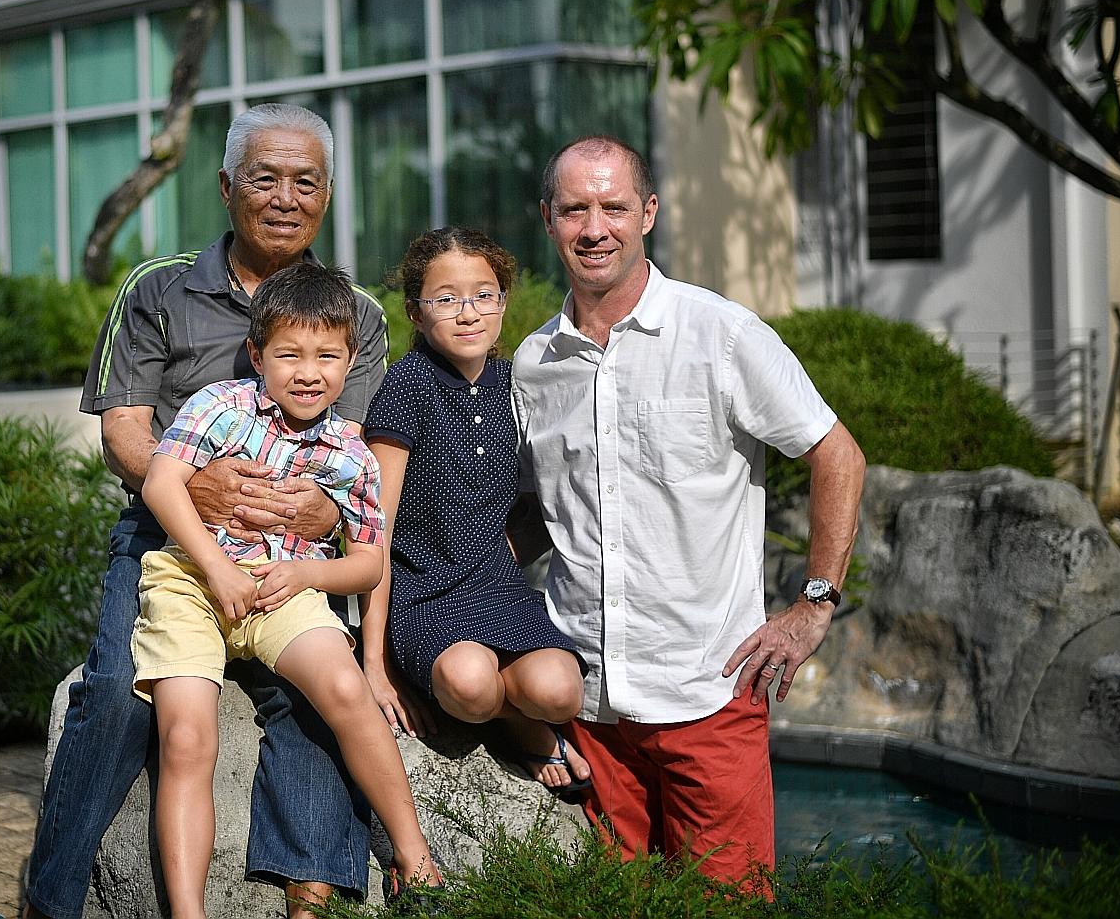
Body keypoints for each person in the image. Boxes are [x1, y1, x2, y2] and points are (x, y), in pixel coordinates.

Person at [24, 104, 389, 919]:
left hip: (288, 554)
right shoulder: (158, 287)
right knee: (117, 691)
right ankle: (48, 903)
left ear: (327, 197)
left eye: (306, 182)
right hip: (168, 544)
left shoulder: (356, 310)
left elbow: (348, 458)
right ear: (227, 187)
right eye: (265, 178)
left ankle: (311, 886)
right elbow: (124, 432)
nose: (285, 198)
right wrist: (193, 486)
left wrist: (318, 511)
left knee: (318, 689)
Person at [510, 136, 867, 890]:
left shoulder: (722, 335)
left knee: (727, 908)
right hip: (588, 708)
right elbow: (548, 510)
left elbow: (838, 456)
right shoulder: (533, 364)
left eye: (613, 206)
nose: (594, 226)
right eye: (575, 208)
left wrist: (814, 605)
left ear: (649, 213)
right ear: (548, 219)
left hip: (709, 697)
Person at [136, 263, 442, 919]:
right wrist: (216, 568)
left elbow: (367, 563)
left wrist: (307, 574)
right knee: (188, 736)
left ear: (350, 359)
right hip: (193, 583)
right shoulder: (221, 406)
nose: (309, 372)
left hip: (285, 587)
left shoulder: (349, 454)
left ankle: (415, 861)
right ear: (257, 354)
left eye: (328, 355)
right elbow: (162, 483)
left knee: (342, 689)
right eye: (289, 354)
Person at [360, 227, 590, 795]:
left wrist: (503, 551)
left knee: (561, 691)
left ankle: (517, 713)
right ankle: (518, 727)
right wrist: (374, 661)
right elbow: (373, 529)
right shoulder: (407, 386)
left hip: (495, 584)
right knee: (469, 683)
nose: (468, 313)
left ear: (503, 302)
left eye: (484, 294)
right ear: (416, 312)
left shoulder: (512, 383)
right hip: (424, 591)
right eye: (446, 299)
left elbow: (547, 495)